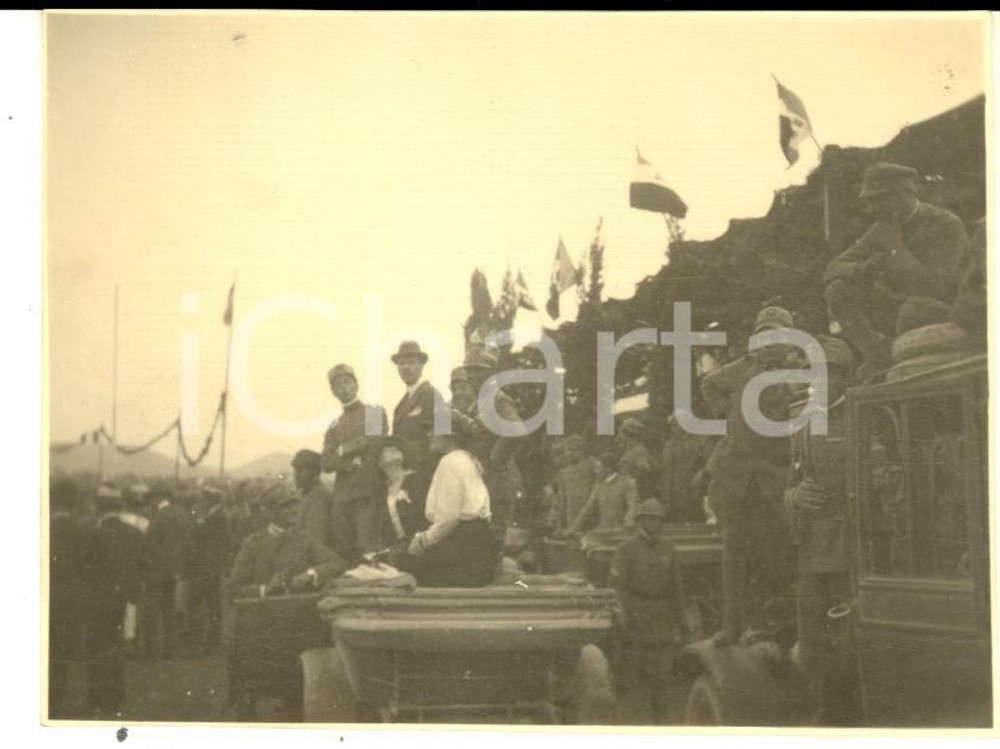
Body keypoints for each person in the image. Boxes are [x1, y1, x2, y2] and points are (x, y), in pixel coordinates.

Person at [702, 306, 799, 647]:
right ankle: (733, 623)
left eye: (777, 337)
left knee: (784, 551)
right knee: (734, 551)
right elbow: (709, 385)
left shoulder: (799, 374)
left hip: (776, 477)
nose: (769, 344)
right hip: (735, 477)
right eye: (763, 336)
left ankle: (782, 622)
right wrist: (724, 413)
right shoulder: (741, 370)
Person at [823, 162, 970, 377]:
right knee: (837, 289)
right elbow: (832, 269)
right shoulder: (882, 228)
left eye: (878, 199)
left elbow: (935, 287)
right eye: (870, 201)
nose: (873, 208)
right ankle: (879, 357)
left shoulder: (945, 224)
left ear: (903, 193)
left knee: (913, 306)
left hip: (946, 307)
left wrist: (894, 246)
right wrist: (860, 268)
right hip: (902, 309)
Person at [784, 336, 861, 726]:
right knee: (813, 634)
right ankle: (824, 707)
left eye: (828, 373)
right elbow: (790, 483)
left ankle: (844, 710)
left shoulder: (864, 414)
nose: (820, 381)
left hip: (855, 544)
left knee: (847, 636)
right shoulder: (802, 420)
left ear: (844, 377)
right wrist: (796, 496)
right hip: (814, 545)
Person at [609, 499, 683, 725]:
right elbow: (617, 587)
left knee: (661, 681)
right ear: (640, 521)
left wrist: (678, 623)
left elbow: (676, 589)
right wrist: (622, 618)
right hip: (634, 621)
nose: (657, 524)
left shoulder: (668, 549)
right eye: (652, 519)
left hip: (661, 622)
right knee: (631, 681)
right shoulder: (626, 549)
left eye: (660, 520)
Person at [395, 431, 498, 587]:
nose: (429, 435)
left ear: (451, 435)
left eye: (434, 430)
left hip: (464, 549)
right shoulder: (468, 458)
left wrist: (424, 540)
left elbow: (449, 519)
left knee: (401, 564)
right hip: (481, 549)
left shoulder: (450, 461)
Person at [80, 484, 145, 717]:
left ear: (99, 506)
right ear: (118, 507)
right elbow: (142, 566)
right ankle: (115, 700)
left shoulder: (92, 532)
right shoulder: (134, 533)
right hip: (123, 600)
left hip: (97, 600)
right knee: (114, 648)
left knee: (96, 649)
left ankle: (96, 700)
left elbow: (86, 569)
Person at [449, 351, 527, 544]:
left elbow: (517, 429)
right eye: (470, 372)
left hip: (499, 481)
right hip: (484, 480)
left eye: (478, 372)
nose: (473, 376)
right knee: (483, 537)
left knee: (495, 537)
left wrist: (496, 458)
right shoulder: (480, 403)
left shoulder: (498, 400)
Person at [227, 485, 349, 600]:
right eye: (286, 506)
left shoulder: (305, 540)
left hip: (298, 611)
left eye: (294, 505)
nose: (294, 510)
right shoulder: (252, 544)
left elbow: (339, 562)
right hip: (263, 615)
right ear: (271, 513)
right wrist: (265, 590)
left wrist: (311, 574)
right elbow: (233, 589)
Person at [320, 363, 388, 562]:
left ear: (356, 385)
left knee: (369, 547)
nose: (344, 388)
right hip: (343, 496)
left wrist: (340, 450)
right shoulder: (334, 425)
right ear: (333, 392)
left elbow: (375, 441)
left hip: (368, 491)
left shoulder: (374, 412)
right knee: (347, 550)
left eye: (348, 383)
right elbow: (325, 462)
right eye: (338, 385)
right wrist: (347, 459)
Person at [49, 478, 83, 718]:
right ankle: (56, 698)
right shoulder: (82, 531)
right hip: (70, 600)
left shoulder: (43, 528)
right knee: (61, 652)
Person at [144, 482, 189, 660]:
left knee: (153, 609)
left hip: (158, 569)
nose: (150, 503)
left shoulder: (160, 516)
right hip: (176, 568)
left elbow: (151, 543)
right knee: (170, 609)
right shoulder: (182, 513)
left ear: (158, 498)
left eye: (151, 499)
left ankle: (153, 651)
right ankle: (171, 649)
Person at [184, 483, 230, 653]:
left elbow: (199, 535)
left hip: (207, 567)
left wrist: (199, 523)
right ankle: (209, 642)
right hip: (208, 566)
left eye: (205, 497)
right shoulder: (214, 515)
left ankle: (204, 642)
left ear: (212, 499)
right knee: (209, 604)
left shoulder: (217, 517)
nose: (202, 500)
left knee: (201, 603)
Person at [390, 340, 446, 472]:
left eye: (411, 362)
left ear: (421, 365)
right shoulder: (400, 405)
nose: (406, 368)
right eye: (402, 363)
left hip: (425, 471)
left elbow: (439, 440)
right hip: (405, 473)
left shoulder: (430, 394)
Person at [375, 438, 430, 556]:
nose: (393, 449)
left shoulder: (418, 479)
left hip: (424, 542)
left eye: (396, 448)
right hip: (399, 547)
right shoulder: (383, 491)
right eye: (387, 449)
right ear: (380, 463)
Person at [565, 452, 640, 535]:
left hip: (622, 530)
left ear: (608, 468)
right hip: (603, 530)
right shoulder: (599, 486)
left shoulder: (626, 482)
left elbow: (633, 505)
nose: (596, 471)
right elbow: (587, 508)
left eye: (598, 468)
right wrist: (573, 528)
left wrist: (629, 520)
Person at [660, 412, 709, 524]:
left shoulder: (701, 441)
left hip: (697, 491)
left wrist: (701, 473)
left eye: (675, 425)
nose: (672, 429)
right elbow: (666, 473)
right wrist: (666, 498)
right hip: (676, 495)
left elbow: (710, 462)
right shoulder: (670, 445)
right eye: (671, 426)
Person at [546, 434, 597, 536]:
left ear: (581, 450)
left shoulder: (590, 465)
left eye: (573, 450)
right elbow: (562, 499)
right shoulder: (564, 472)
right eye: (567, 450)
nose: (570, 453)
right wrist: (559, 526)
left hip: (590, 511)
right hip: (571, 512)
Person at [291, 449, 333, 549]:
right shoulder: (304, 495)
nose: (296, 475)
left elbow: (316, 542)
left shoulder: (319, 497)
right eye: (296, 470)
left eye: (302, 470)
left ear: (316, 473)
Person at [617, 418, 660, 501]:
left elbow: (643, 478)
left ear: (628, 435)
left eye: (621, 434)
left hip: (638, 498)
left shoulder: (639, 451)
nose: (619, 437)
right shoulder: (629, 451)